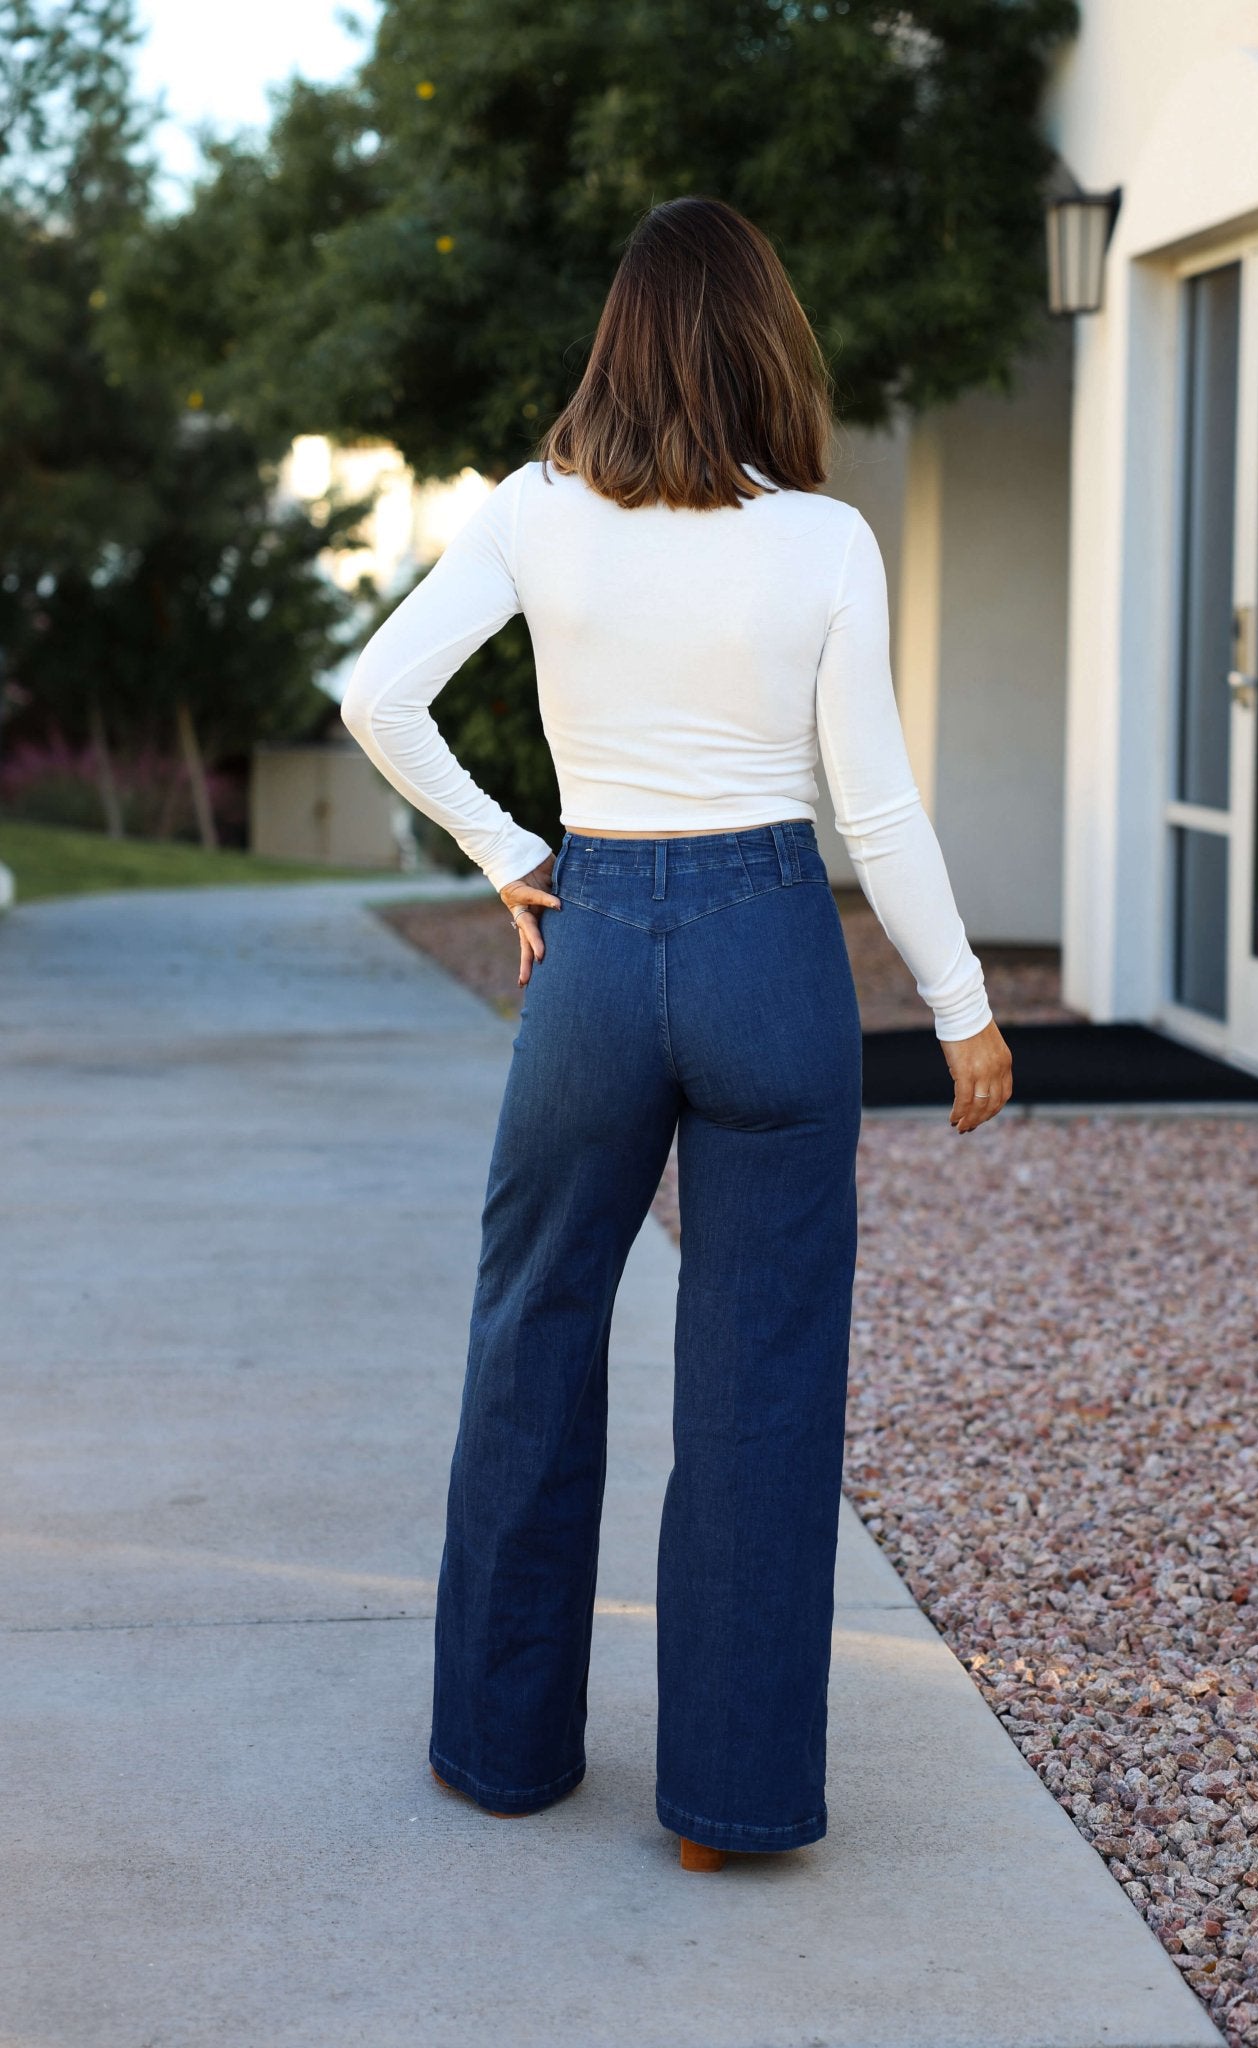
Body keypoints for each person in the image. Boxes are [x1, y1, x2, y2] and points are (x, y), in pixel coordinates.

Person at [340, 193, 1013, 1874]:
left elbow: (376, 695)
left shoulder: (534, 511)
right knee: (760, 1382)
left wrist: (511, 856)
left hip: (594, 941)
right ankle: (728, 1808)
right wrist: (964, 1011)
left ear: (619, 341)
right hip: (772, 953)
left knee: (533, 1333)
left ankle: (500, 1754)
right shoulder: (826, 541)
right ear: (765, 342)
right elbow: (873, 804)